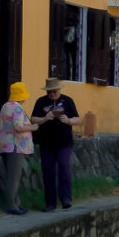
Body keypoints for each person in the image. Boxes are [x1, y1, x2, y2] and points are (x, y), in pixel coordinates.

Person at [31, 78, 80, 212]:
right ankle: (50, 203)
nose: (52, 94)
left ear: (59, 90)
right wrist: (45, 118)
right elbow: (33, 118)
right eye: (50, 92)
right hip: (46, 142)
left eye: (54, 92)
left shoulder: (67, 100)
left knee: (64, 166)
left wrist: (69, 120)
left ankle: (66, 199)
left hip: (64, 141)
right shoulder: (40, 102)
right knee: (48, 171)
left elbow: (77, 118)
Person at [0, 82, 39, 216]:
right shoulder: (17, 108)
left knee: (11, 176)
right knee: (14, 177)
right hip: (16, 145)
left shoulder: (5, 106)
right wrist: (33, 127)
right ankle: (12, 206)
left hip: (5, 144)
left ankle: (15, 203)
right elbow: (18, 127)